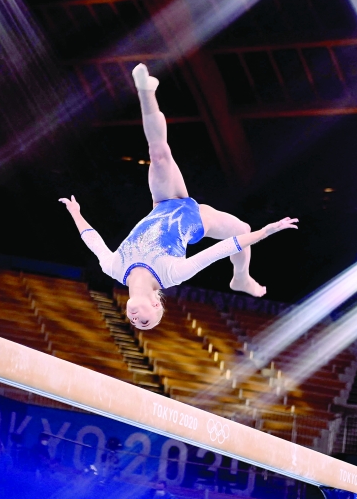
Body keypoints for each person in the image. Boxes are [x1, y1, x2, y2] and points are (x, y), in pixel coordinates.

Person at [59, 63, 298, 330]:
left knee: (159, 153)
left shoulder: (114, 268)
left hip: (162, 203)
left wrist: (76, 212)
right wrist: (266, 231)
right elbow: (221, 249)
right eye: (146, 322)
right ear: (156, 305)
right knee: (244, 229)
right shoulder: (171, 275)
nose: (137, 320)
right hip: (198, 219)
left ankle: (145, 91)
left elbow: (92, 241)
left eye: (134, 322)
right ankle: (241, 278)